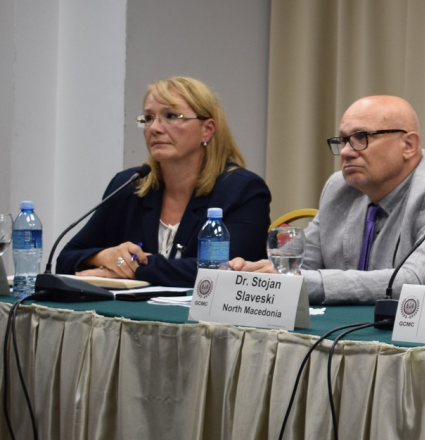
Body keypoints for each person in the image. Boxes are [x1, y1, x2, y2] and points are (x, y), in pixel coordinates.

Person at [232, 95, 425, 304]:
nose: (345, 152)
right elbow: (300, 265)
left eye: (360, 138)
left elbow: (412, 281)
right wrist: (252, 275)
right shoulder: (340, 188)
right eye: (343, 140)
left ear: (408, 145)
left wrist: (309, 282)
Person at [58, 77, 271, 287]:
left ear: (207, 129)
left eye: (171, 116)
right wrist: (104, 256)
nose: (155, 128)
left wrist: (133, 267)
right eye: (148, 118)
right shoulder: (129, 185)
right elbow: (65, 259)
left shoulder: (242, 191)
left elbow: (227, 270)